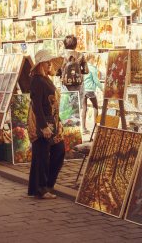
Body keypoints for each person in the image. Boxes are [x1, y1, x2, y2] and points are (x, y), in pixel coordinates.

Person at [27, 50, 66, 200]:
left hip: (52, 121)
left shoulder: (46, 79)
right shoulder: (37, 80)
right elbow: (37, 105)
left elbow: (52, 104)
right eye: (46, 61)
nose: (50, 64)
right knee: (41, 156)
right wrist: (43, 126)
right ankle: (40, 189)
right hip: (41, 122)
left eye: (50, 61)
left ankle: (48, 183)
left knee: (59, 149)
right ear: (39, 64)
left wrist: (59, 121)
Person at [58, 35, 89, 101]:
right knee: (77, 109)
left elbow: (56, 72)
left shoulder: (61, 56)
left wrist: (64, 71)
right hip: (78, 84)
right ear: (75, 44)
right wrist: (77, 71)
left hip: (66, 85)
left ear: (65, 44)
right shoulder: (81, 55)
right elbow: (86, 71)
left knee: (67, 109)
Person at [82, 53, 103, 135]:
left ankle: (83, 128)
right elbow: (96, 80)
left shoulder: (83, 67)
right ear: (91, 59)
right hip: (90, 90)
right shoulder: (92, 68)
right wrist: (102, 88)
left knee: (84, 108)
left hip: (83, 89)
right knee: (95, 106)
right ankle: (95, 126)